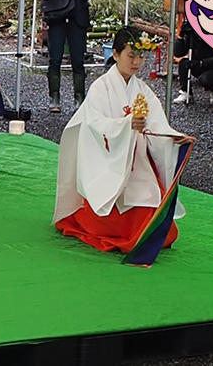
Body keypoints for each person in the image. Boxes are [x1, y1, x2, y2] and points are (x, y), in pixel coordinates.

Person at [53, 28, 196, 255]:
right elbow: (95, 124)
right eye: (131, 55)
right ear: (116, 54)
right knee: (124, 227)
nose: (136, 62)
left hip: (136, 158)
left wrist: (174, 137)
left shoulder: (142, 89)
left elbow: (157, 122)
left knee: (163, 232)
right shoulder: (101, 87)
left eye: (141, 56)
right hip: (108, 158)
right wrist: (126, 125)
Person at [172, 20, 213, 105]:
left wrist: (201, 62)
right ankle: (186, 92)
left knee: (206, 79)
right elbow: (178, 53)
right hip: (198, 64)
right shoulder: (193, 33)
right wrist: (181, 36)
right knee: (183, 63)